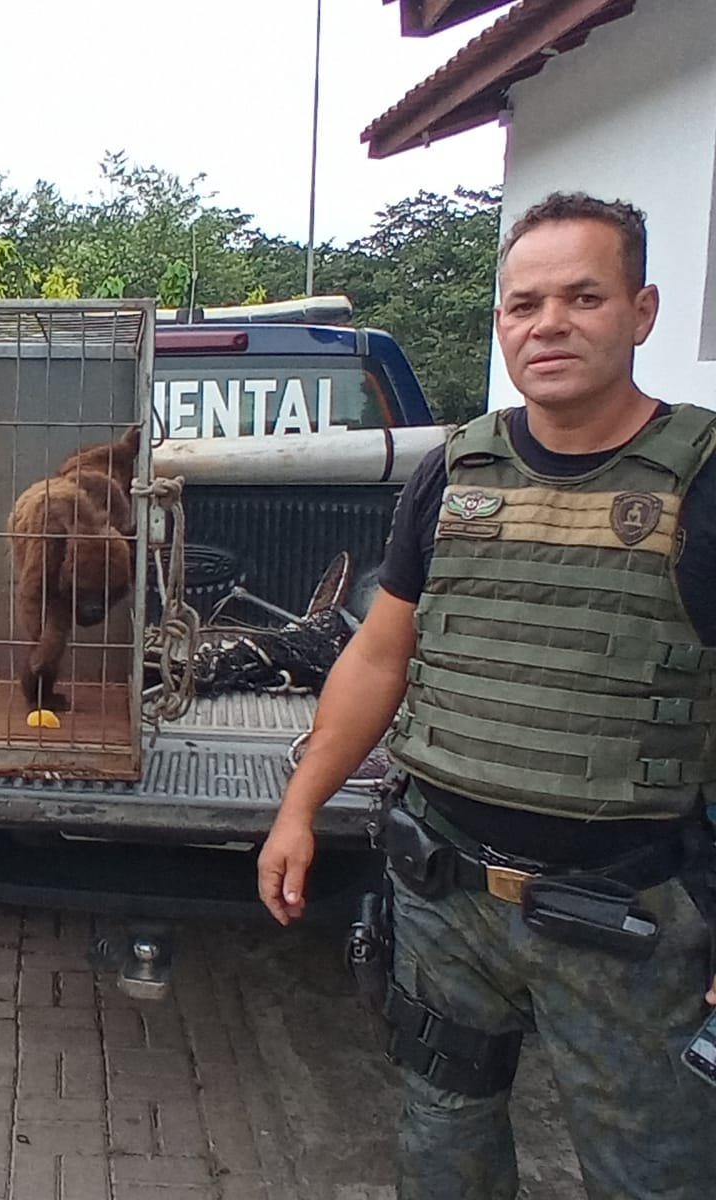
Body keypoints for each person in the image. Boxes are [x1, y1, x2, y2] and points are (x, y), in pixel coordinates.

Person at [258, 192, 716, 1199]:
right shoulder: (454, 472)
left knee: (652, 1174)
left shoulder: (701, 481)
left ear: (640, 311)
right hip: (446, 897)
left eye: (581, 296)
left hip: (624, 916)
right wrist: (298, 808)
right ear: (500, 322)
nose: (548, 323)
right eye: (524, 304)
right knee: (441, 1148)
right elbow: (379, 658)